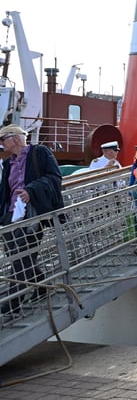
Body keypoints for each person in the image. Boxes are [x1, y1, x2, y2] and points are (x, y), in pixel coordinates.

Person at [0, 124, 65, 315]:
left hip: (33, 215)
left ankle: (12, 303)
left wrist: (31, 190)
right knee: (17, 258)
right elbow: (5, 192)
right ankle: (42, 286)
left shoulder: (40, 152)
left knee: (23, 258)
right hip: (11, 217)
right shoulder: (7, 164)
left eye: (3, 139)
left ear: (16, 138)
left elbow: (54, 178)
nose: (2, 144)